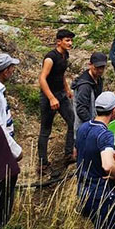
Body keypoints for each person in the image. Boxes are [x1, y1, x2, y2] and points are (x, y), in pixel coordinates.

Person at [75, 92, 115, 229]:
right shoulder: (105, 134)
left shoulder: (83, 128)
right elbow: (108, 166)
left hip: (82, 190)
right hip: (100, 194)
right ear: (114, 110)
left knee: (98, 226)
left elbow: (79, 152)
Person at [38, 29, 76, 173]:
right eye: (67, 40)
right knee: (45, 130)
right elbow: (42, 79)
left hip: (61, 93)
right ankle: (42, 164)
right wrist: (51, 98)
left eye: (71, 40)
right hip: (49, 96)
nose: (70, 43)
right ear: (58, 41)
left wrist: (67, 89)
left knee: (72, 120)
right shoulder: (50, 58)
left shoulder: (65, 55)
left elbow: (61, 74)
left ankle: (68, 154)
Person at [73, 52, 108, 132]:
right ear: (90, 65)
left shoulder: (98, 79)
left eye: (102, 67)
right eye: (97, 67)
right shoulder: (84, 86)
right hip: (84, 126)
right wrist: (93, 124)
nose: (100, 70)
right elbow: (81, 110)